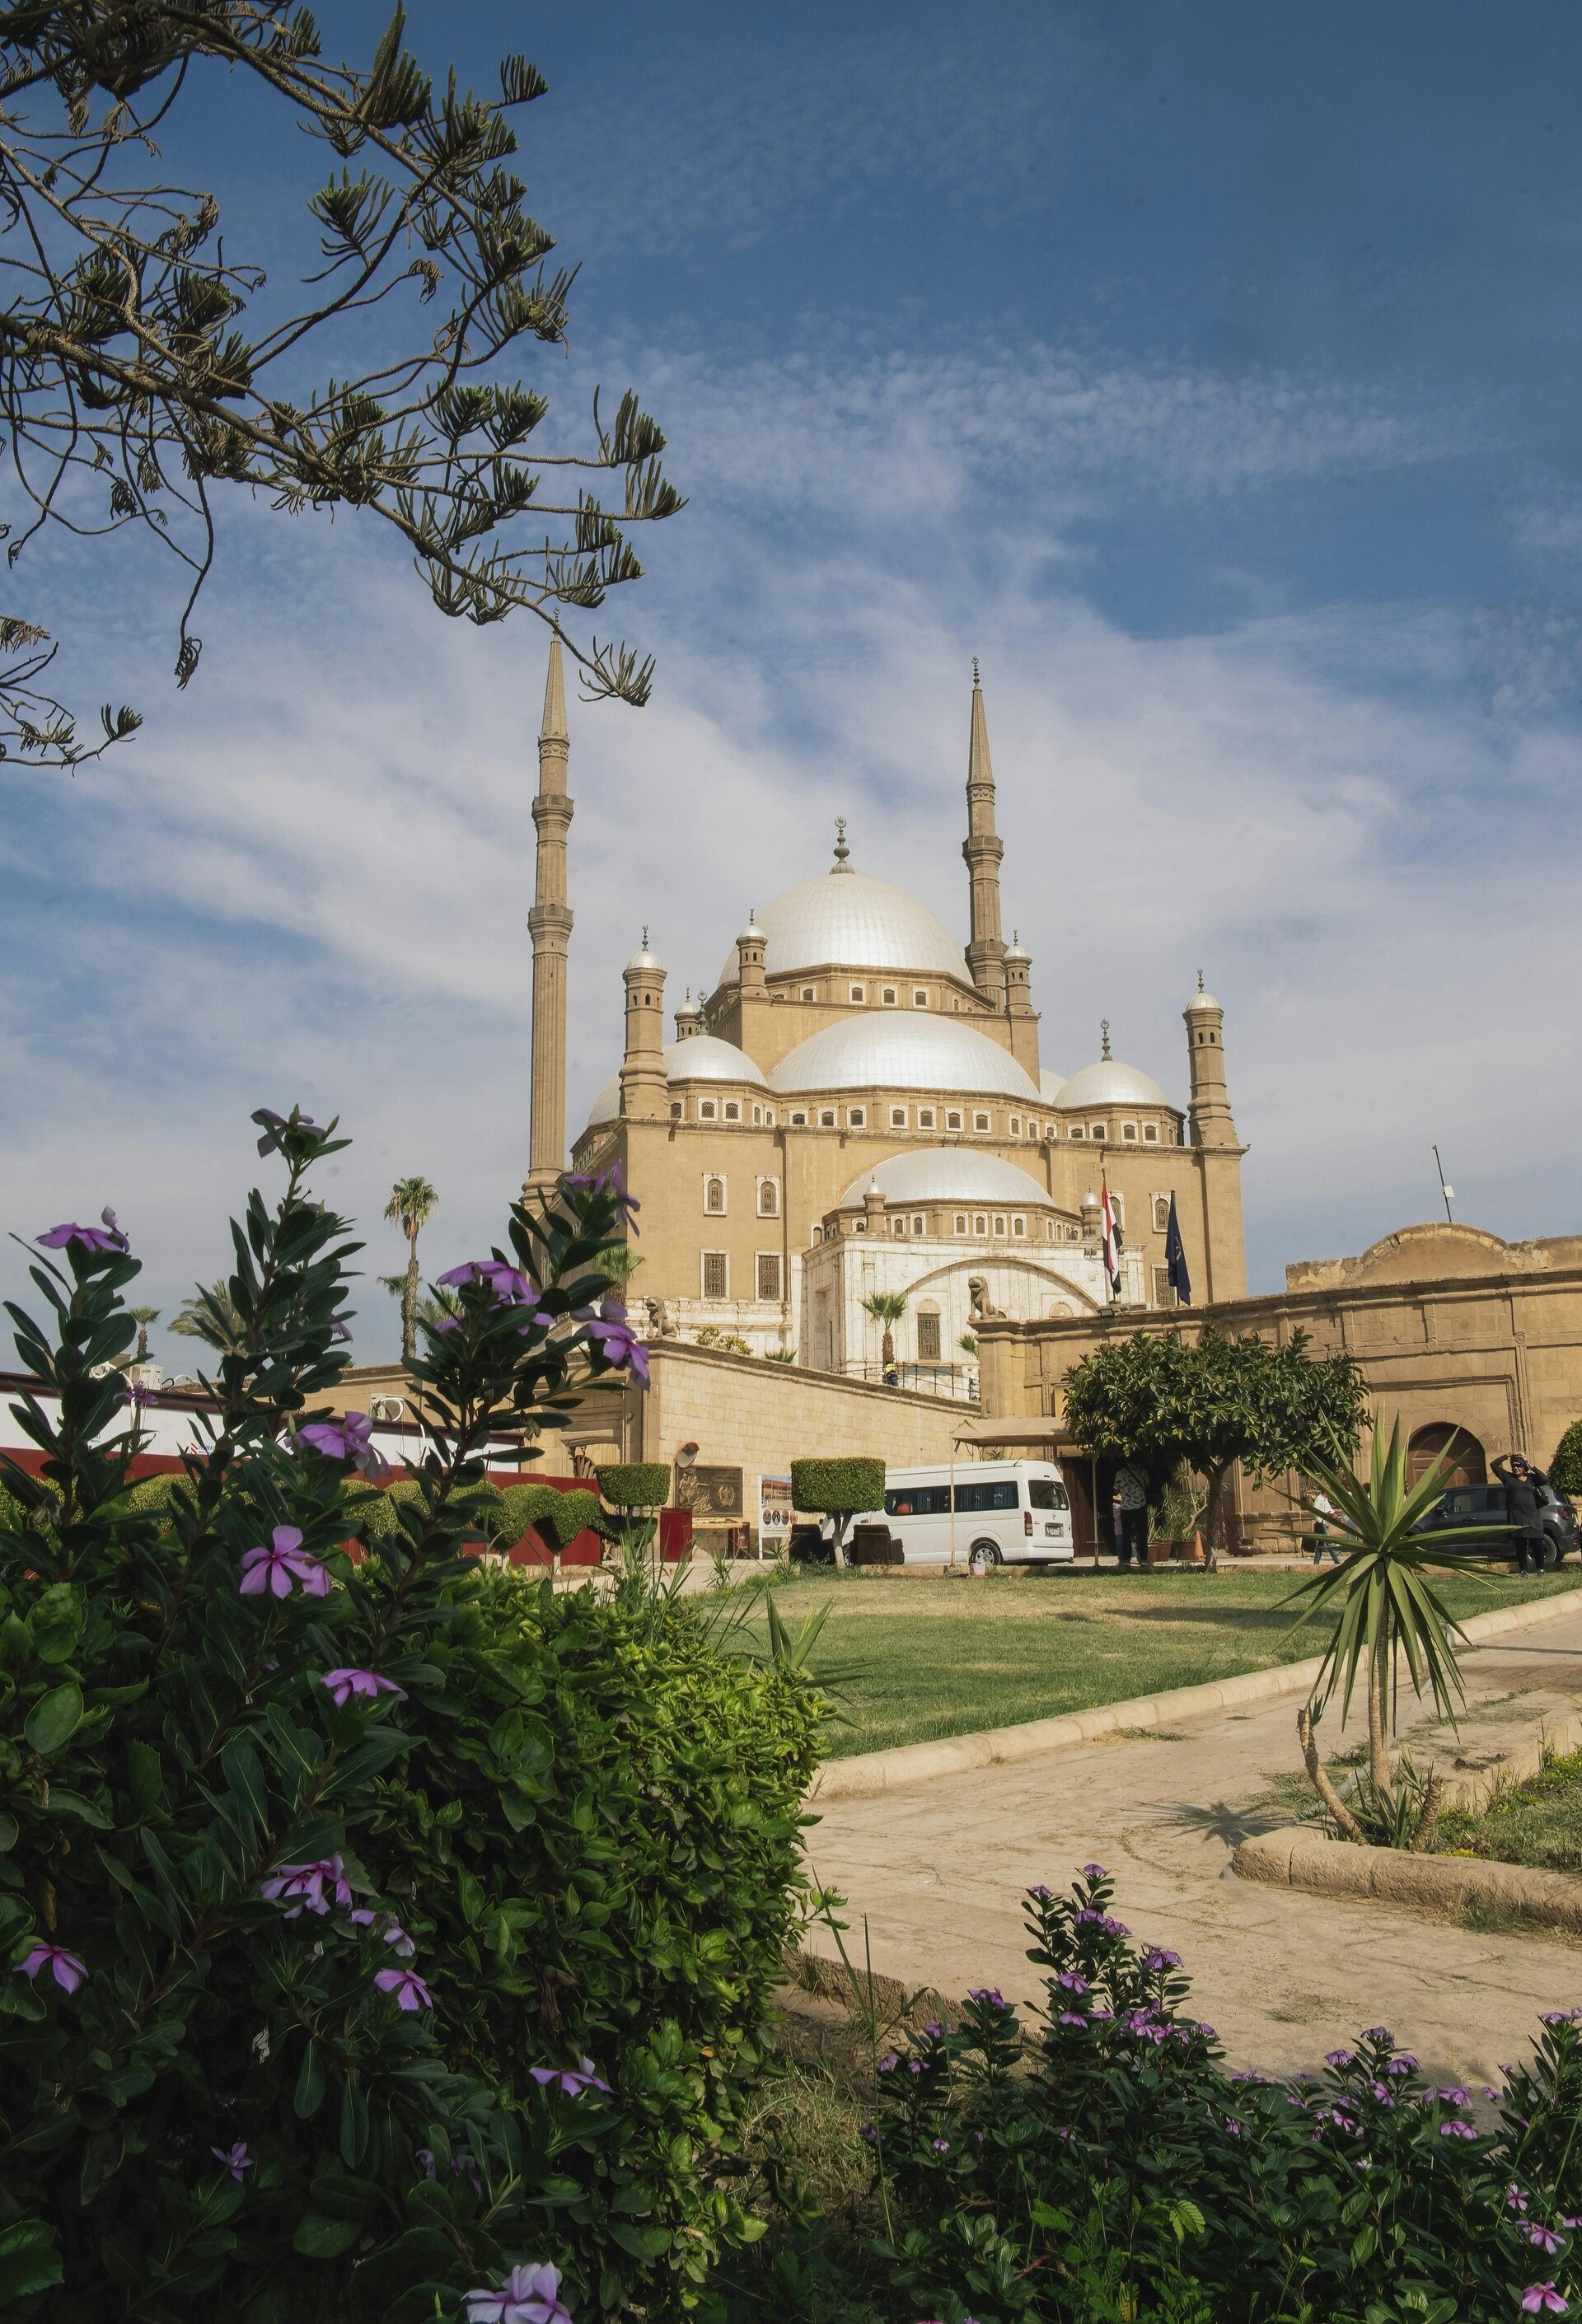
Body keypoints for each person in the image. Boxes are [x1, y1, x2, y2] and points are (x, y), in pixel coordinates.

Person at [1492, 1452, 1550, 1573]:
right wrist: (1507, 1455)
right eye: (1513, 1466)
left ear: (1524, 1467)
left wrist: (1531, 1465)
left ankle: (1540, 1568)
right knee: (1520, 1546)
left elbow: (1545, 1479)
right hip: (1517, 1517)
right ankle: (1524, 1570)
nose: (1516, 1468)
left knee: (1537, 1544)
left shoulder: (1531, 1479)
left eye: (1519, 1466)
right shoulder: (1508, 1478)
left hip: (1533, 1516)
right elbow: (1494, 1465)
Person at [1309, 1489, 1341, 1566]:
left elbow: (1331, 1511)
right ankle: (1337, 1561)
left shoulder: (1325, 1500)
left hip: (1325, 1523)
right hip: (1321, 1523)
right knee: (1329, 1542)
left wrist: (1339, 1518)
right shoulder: (1319, 1499)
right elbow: (1315, 1511)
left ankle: (1316, 1562)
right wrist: (1325, 1515)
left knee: (1320, 1544)